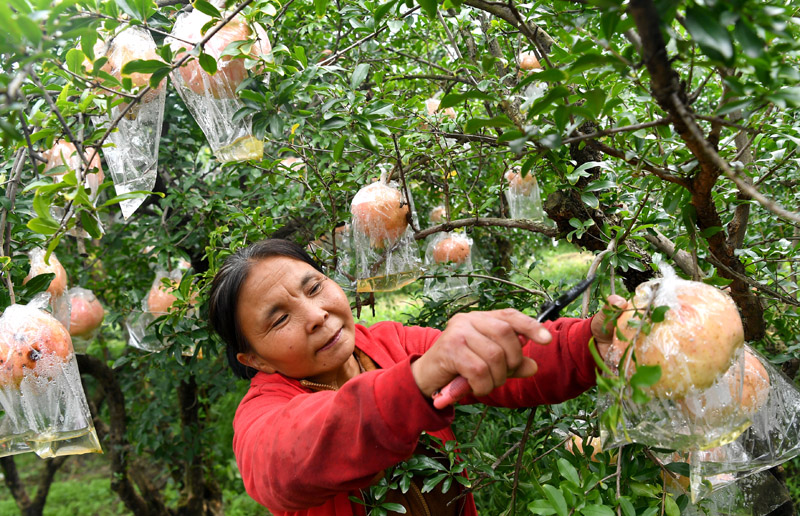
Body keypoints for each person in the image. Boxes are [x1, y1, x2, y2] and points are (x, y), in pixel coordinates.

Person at [209, 238, 625, 516]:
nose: (316, 316)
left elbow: (497, 361)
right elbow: (285, 461)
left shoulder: (390, 344)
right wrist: (419, 379)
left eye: (315, 288)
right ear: (256, 359)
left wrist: (592, 342)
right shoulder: (262, 414)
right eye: (280, 318)